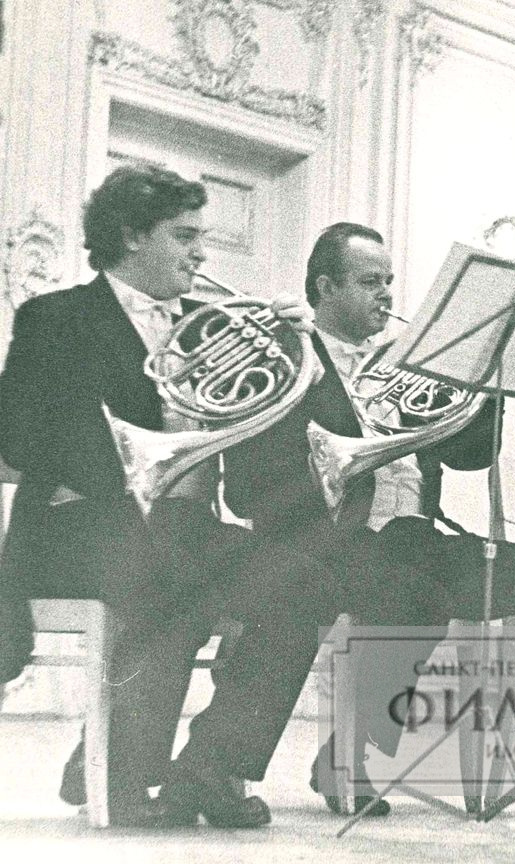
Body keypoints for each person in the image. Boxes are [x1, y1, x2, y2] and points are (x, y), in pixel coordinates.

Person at [192, 222, 515, 822]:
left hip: (413, 535)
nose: (387, 294)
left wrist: (484, 380)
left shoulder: (410, 361)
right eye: (370, 281)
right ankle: (351, 757)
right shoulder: (285, 352)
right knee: (414, 596)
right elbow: (247, 486)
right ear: (325, 286)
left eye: (389, 280)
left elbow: (469, 457)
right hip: (324, 538)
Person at [0, 164, 313, 827]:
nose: (201, 255)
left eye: (202, 238)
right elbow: (19, 438)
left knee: (302, 583)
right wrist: (139, 450)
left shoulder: (213, 326)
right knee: (171, 573)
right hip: (73, 527)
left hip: (182, 530)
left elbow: (263, 451)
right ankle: (118, 773)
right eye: (185, 236)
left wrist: (294, 350)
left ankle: (207, 771)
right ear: (131, 235)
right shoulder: (56, 318)